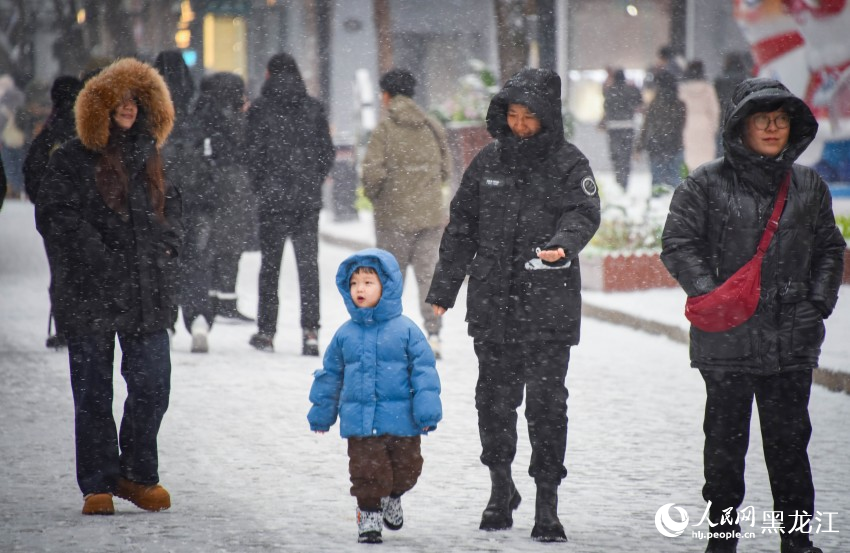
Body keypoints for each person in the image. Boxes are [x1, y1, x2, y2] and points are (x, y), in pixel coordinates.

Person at [661, 78, 845, 553]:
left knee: (790, 447)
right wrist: (716, 296)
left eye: (781, 120)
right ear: (741, 125)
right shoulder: (706, 182)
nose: (772, 128)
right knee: (724, 447)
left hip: (792, 340)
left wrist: (817, 305)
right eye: (762, 119)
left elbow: (830, 248)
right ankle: (722, 538)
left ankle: (797, 539)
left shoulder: (807, 185)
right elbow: (678, 244)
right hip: (726, 340)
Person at [426, 68, 601, 542]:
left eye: (530, 117)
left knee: (547, 406)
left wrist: (564, 245)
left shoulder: (569, 163)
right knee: (494, 403)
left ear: (547, 119)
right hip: (494, 307)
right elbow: (461, 227)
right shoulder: (487, 163)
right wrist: (444, 290)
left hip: (549, 305)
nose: (520, 125)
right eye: (514, 116)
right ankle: (500, 489)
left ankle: (548, 501)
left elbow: (583, 213)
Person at [34, 58, 182, 516]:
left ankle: (135, 473)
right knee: (94, 391)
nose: (128, 108)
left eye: (136, 100)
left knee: (153, 385)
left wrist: (169, 254)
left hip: (144, 294)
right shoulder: (72, 159)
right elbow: (56, 216)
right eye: (118, 100)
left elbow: (173, 214)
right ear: (99, 107)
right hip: (90, 294)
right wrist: (97, 256)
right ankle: (97, 479)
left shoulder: (151, 156)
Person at [308, 248, 442, 544]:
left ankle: (394, 495)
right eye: (354, 283)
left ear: (387, 286)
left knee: (407, 470)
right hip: (361, 423)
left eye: (368, 282)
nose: (360, 289)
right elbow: (331, 376)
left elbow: (424, 375)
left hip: (402, 421)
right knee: (367, 473)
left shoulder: (407, 331)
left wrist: (427, 412)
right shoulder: (345, 334)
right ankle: (368, 515)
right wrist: (322, 413)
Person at [245, 53, 335, 355]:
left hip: (272, 201)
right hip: (306, 201)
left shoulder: (259, 109)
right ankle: (310, 332)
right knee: (308, 268)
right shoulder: (313, 108)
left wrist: (262, 185)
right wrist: (312, 179)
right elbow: (327, 153)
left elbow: (251, 153)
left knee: (270, 268)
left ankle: (267, 332)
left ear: (269, 73)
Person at [361, 68, 452, 359]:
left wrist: (377, 196)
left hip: (393, 218)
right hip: (429, 217)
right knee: (428, 277)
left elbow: (372, 173)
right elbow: (445, 169)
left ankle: (386, 336)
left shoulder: (384, 130)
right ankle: (434, 334)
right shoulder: (431, 125)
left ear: (386, 96)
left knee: (390, 278)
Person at [179, 72, 252, 353]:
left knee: (202, 248)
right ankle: (225, 302)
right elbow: (244, 149)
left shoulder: (197, 114)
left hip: (201, 191)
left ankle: (204, 301)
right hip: (230, 189)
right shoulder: (233, 119)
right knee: (229, 247)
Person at [22, 75, 84, 350]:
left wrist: (46, 204)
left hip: (58, 218)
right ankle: (81, 325)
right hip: (83, 215)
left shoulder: (51, 131)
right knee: (81, 270)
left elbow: (31, 170)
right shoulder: (86, 129)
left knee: (61, 271)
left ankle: (65, 326)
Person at [638, 70, 686, 192]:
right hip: (675, 146)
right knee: (675, 178)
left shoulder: (654, 104)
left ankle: (656, 204)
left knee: (657, 180)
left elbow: (646, 126)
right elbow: (681, 126)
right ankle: (676, 206)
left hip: (656, 146)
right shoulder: (680, 104)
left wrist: (639, 146)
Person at [600, 68, 643, 191]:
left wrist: (603, 122)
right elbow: (639, 103)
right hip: (628, 126)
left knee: (616, 156)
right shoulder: (631, 90)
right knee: (626, 156)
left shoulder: (610, 91)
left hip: (613, 128)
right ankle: (624, 181)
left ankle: (619, 179)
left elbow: (606, 108)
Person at [678, 60, 721, 172]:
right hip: (705, 123)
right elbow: (715, 110)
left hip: (687, 124)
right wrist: (714, 127)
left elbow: (680, 109)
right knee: (705, 157)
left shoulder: (682, 89)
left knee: (690, 156)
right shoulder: (708, 88)